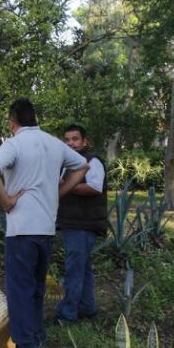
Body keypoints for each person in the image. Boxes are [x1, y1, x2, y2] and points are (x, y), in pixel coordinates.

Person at [0, 98, 89, 348]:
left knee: (20, 289)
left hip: (22, 229)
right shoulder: (54, 143)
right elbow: (82, 166)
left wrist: (6, 201)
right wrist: (58, 192)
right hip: (46, 228)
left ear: (12, 121)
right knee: (36, 287)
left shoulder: (15, 144)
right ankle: (37, 335)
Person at [55, 124, 107, 325]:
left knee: (74, 270)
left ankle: (67, 314)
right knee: (82, 268)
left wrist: (67, 185)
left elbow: (95, 187)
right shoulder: (67, 164)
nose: (71, 143)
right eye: (67, 140)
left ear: (85, 141)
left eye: (75, 139)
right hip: (72, 223)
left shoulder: (92, 161)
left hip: (83, 224)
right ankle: (87, 308)